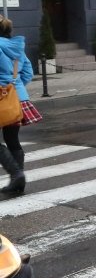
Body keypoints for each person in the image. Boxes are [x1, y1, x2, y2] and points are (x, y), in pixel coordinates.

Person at [0, 15, 40, 195]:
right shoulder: (16, 48)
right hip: (17, 99)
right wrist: (16, 88)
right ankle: (18, 179)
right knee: (12, 141)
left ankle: (16, 175)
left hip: (1, 98)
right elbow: (28, 72)